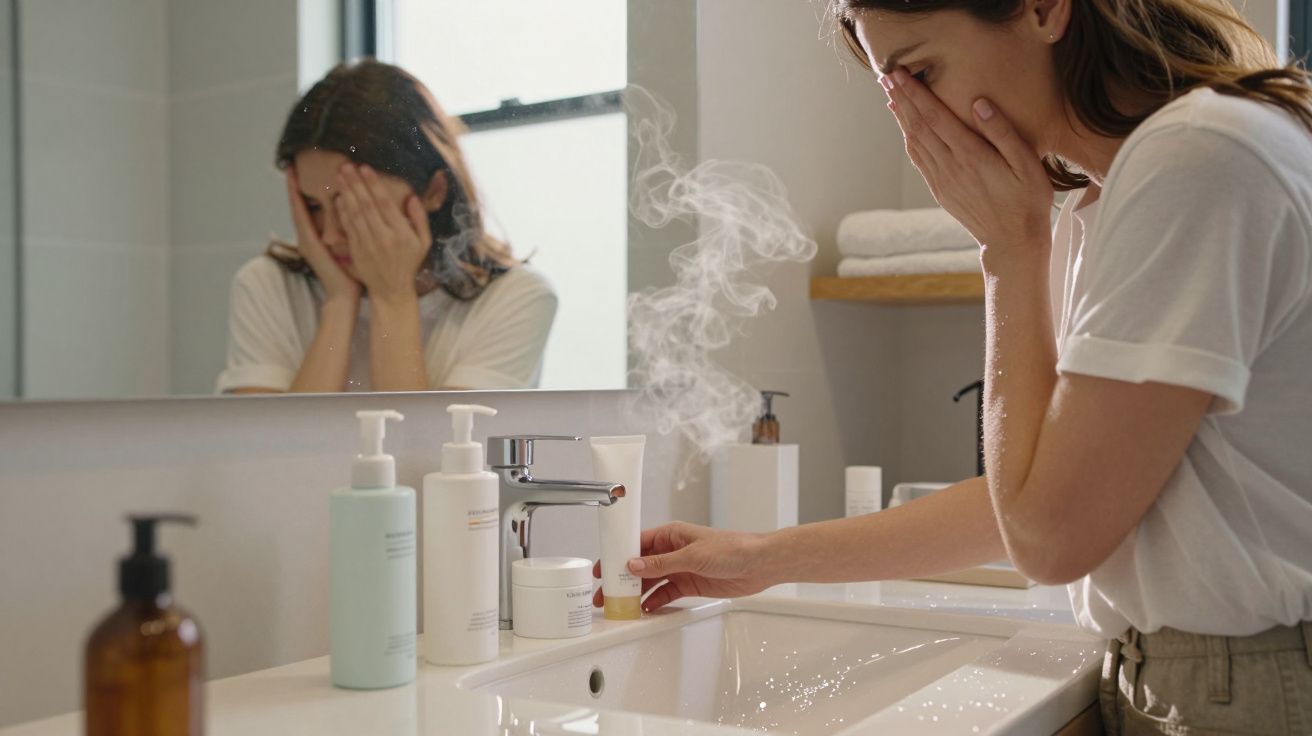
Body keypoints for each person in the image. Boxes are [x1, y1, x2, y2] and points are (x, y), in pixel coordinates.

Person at [595, 1, 1312, 733]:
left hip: (1253, 683)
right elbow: (1035, 501)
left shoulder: (1197, 160)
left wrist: (1008, 253)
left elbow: (1049, 538)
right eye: (893, 87)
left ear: (1043, 9)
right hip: (1194, 670)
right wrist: (758, 556)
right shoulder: (1110, 200)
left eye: (925, 71)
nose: (915, 116)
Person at [217, 60, 557, 393]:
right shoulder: (269, 286)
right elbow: (270, 449)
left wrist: (392, 297)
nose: (330, 236)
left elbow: (423, 448)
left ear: (434, 190)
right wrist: (339, 304)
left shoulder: (515, 298)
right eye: (313, 206)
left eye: (355, 203)